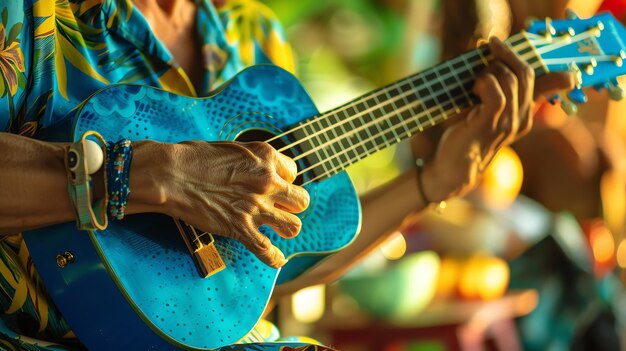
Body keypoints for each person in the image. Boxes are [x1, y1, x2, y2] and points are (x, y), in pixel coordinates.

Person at [0, 0, 574, 349]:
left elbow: (267, 273)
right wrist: (157, 173)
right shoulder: (29, 19)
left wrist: (437, 181)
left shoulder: (252, 37)